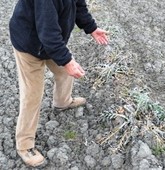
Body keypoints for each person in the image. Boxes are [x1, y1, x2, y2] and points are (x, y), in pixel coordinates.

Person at [9, 0, 108, 167]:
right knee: (32, 95)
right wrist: (67, 61)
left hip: (49, 42)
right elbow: (48, 32)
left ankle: (62, 102)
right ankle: (24, 146)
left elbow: (78, 5)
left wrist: (91, 28)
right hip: (29, 45)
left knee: (64, 72)